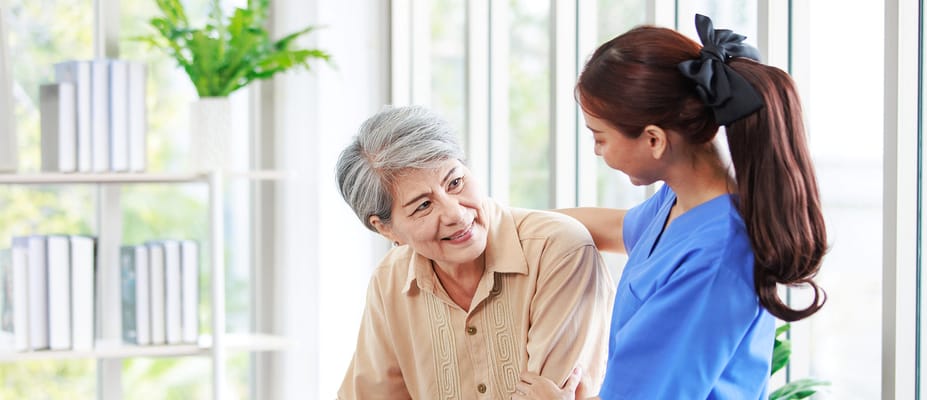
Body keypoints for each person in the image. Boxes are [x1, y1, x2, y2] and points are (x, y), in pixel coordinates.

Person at [513, 14, 828, 400]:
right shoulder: (682, 202)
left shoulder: (715, 259)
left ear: (654, 140)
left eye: (600, 137)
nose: (597, 151)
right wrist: (497, 224)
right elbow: (612, 228)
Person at [334, 105, 615, 399]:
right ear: (386, 229)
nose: (455, 213)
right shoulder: (391, 279)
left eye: (455, 183)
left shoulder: (558, 249)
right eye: (423, 205)